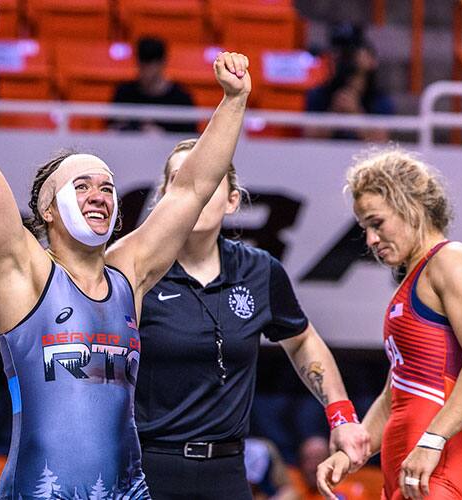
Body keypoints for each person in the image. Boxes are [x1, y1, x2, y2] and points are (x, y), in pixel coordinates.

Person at [0, 7, 250, 498]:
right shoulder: (22, 273)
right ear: (46, 210)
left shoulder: (128, 272)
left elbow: (193, 188)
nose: (100, 195)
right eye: (83, 185)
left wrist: (233, 100)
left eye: (108, 187)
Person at [135, 138, 370, 499]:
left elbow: (303, 340)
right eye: (182, 181)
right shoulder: (138, 273)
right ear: (163, 196)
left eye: (209, 180)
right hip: (149, 469)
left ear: (233, 201)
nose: (196, 192)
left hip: (228, 472)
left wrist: (341, 415)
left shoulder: (259, 271)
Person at [317, 148, 462, 499]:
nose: (371, 240)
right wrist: (353, 451)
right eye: (365, 228)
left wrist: (433, 440)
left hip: (441, 474)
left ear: (410, 205)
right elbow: (397, 395)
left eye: (377, 223)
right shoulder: (414, 280)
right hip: (410, 473)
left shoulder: (452, 262)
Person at [305, 32, 394, 142]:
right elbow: (308, 139)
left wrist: (355, 113)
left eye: (354, 51)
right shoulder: (319, 94)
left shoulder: (379, 100)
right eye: (340, 52)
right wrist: (334, 113)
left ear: (372, 60)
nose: (347, 56)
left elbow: (381, 143)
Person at [110, 36, 197, 133]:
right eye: (142, 65)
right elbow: (111, 129)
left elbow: (190, 139)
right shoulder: (123, 93)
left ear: (162, 63)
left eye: (151, 65)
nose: (147, 71)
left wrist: (162, 137)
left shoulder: (181, 98)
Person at [292, 436, 368, 500]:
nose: (312, 467)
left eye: (317, 459)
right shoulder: (294, 493)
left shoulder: (350, 492)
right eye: (307, 460)